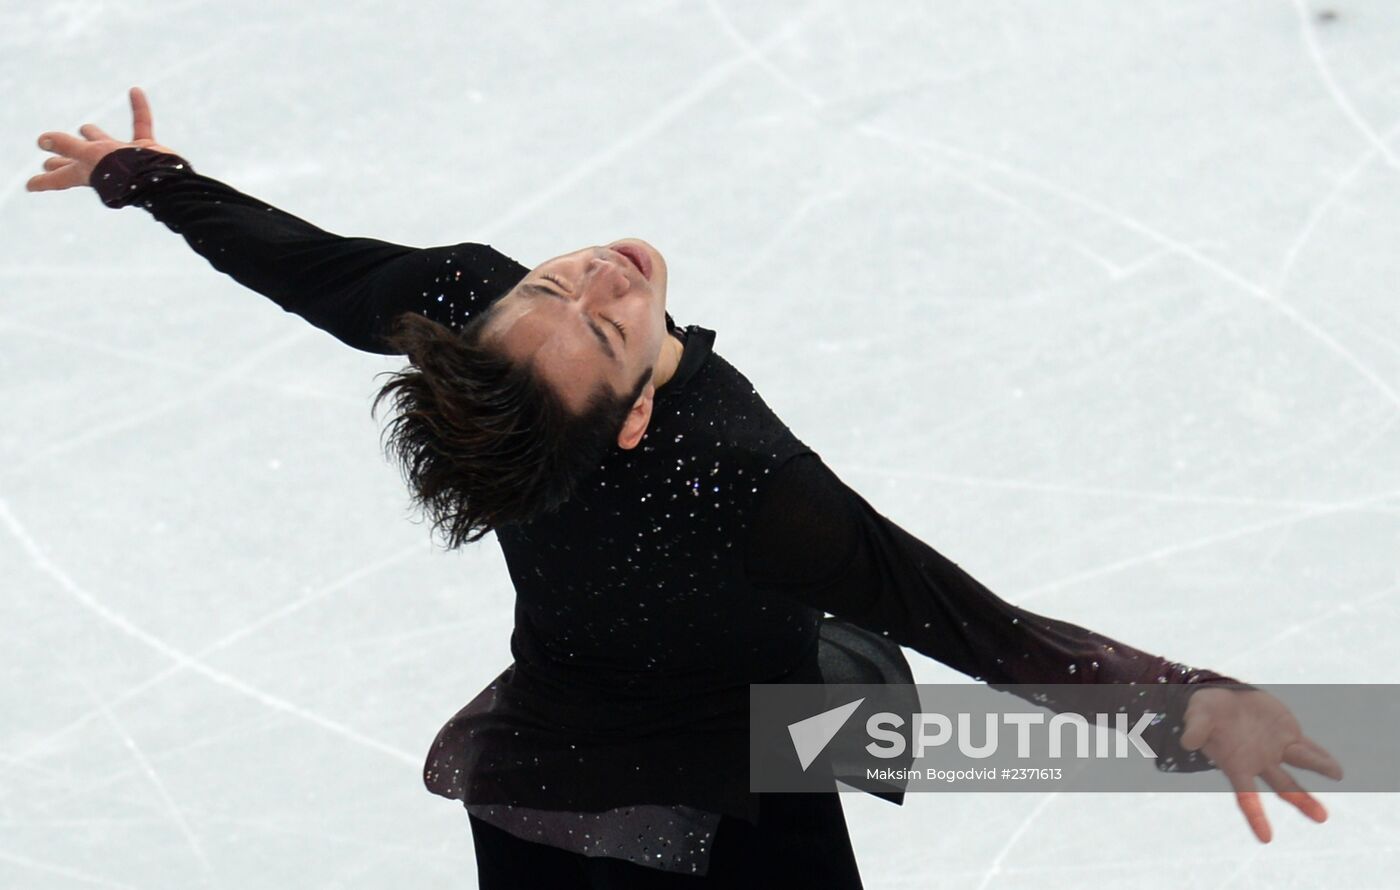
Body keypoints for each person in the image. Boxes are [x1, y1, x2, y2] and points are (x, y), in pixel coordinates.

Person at [29, 88, 1342, 888]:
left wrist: (145, 180)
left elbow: (304, 265)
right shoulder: (738, 479)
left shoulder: (479, 312)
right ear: (638, 417)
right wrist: (1192, 704)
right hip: (645, 787)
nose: (598, 276)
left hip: (657, 749)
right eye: (600, 323)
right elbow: (970, 624)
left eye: (554, 285)